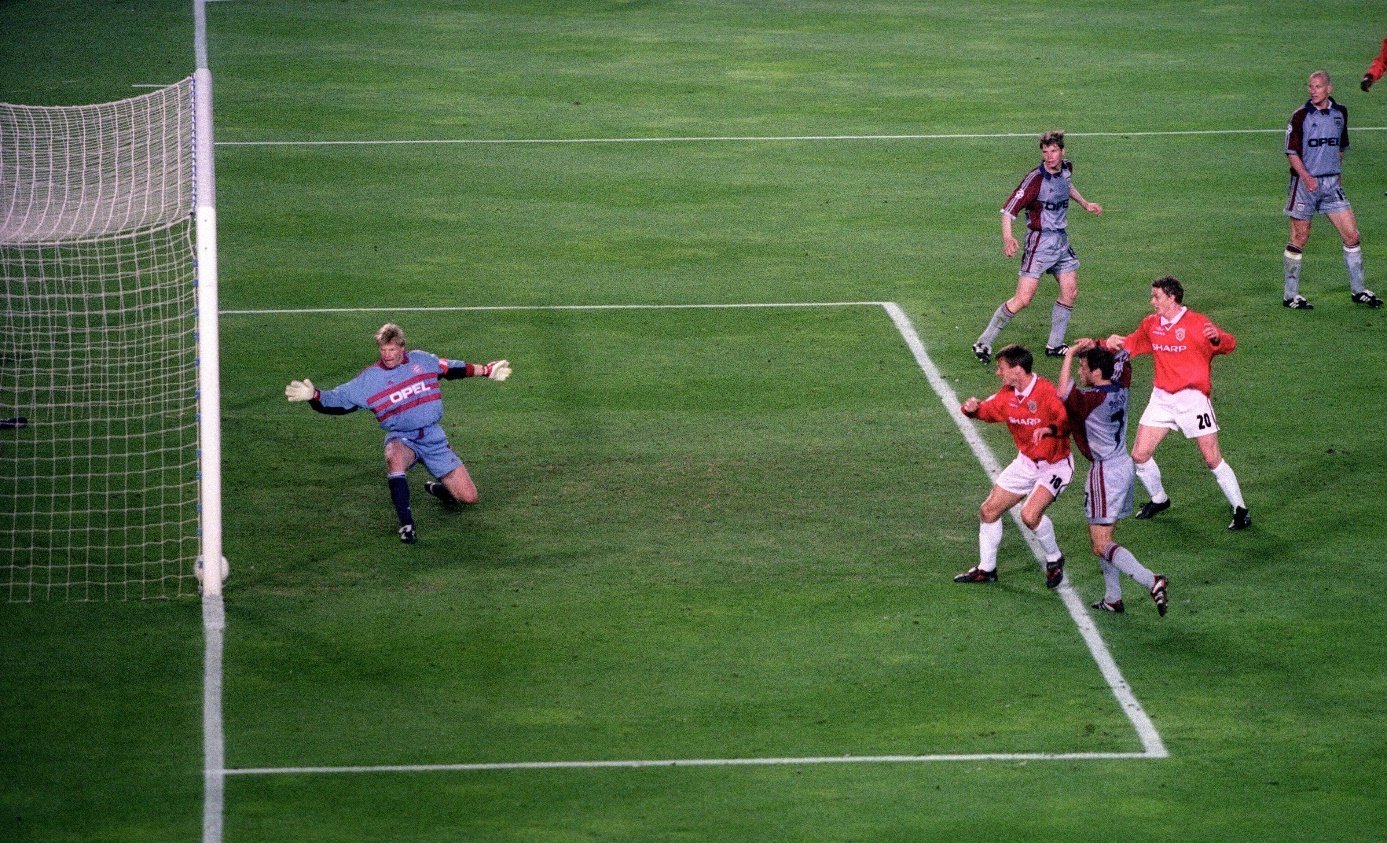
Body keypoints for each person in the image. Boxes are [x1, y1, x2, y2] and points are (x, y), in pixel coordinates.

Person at [284, 322, 511, 544]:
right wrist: (314, 396)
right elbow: (338, 400)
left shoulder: (422, 360)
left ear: (402, 347)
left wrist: (487, 370)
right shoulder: (369, 380)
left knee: (469, 497)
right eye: (383, 350)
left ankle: (442, 490)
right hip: (403, 437)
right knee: (394, 457)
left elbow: (453, 368)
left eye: (392, 349)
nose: (387, 355)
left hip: (433, 437)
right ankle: (406, 524)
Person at [1105, 276, 1250, 530]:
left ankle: (1240, 509)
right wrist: (1105, 344)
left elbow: (1229, 344)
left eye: (1156, 297)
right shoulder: (1151, 324)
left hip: (1193, 400)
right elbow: (1130, 345)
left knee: (1212, 459)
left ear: (1172, 297)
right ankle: (1159, 499)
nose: (1152, 302)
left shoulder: (1197, 323)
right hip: (1162, 399)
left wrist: (1217, 338)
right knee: (1139, 455)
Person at [973, 130, 1103, 364]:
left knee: (1070, 291)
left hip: (1061, 241)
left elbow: (1067, 186)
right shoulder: (1035, 179)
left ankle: (1055, 344)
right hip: (1039, 244)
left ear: (1062, 151)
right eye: (1045, 152)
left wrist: (1085, 203)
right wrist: (1008, 238)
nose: (1049, 156)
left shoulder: (1066, 168)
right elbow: (1008, 211)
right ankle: (984, 341)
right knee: (1023, 299)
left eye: (1053, 151)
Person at [1058, 339, 1168, 616]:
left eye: (1083, 368)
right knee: (1105, 538)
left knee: (1100, 544)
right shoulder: (1120, 387)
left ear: (1096, 372)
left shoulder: (1090, 400)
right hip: (1123, 465)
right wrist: (1105, 346)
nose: (1080, 372)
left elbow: (1063, 392)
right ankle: (1113, 598)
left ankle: (1151, 580)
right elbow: (1123, 359)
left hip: (1105, 472)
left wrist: (1070, 353)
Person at [955, 344, 1072, 588]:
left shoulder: (1045, 392)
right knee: (989, 511)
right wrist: (970, 410)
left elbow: (1065, 422)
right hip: (1026, 463)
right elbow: (987, 411)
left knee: (1029, 515)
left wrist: (1048, 429)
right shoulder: (1007, 395)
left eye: (1001, 368)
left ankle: (1054, 558)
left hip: (1055, 465)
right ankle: (987, 569)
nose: (998, 372)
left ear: (1017, 369)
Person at [1281, 70, 1381, 310]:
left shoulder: (1340, 113)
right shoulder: (1300, 116)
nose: (1312, 90)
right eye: (1310, 86)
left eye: (1317, 86)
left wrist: (1336, 172)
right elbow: (1291, 152)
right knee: (1299, 237)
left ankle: (1359, 291)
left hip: (1332, 185)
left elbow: (1341, 147)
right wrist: (1307, 177)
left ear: (1329, 89)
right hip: (1304, 186)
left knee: (1352, 236)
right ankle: (1290, 295)